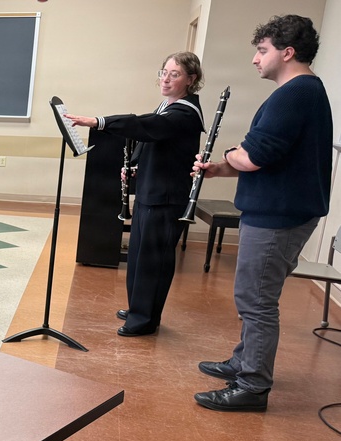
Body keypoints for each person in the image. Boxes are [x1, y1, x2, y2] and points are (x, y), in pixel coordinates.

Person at [192, 15, 332, 412]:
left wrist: (233, 154)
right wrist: (223, 166)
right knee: (254, 296)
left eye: (262, 50)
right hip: (280, 211)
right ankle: (243, 362)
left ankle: (252, 386)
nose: (256, 59)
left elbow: (255, 155)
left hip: (279, 215)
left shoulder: (296, 93)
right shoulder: (300, 92)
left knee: (256, 300)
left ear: (287, 52)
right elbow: (266, 154)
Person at [65, 52, 206, 337]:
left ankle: (145, 319)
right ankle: (137, 307)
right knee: (140, 256)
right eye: (163, 72)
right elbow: (151, 139)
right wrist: (135, 167)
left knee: (154, 260)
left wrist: (99, 121)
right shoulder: (168, 104)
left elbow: (148, 127)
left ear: (191, 80)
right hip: (150, 191)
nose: (165, 79)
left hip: (166, 198)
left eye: (174, 74)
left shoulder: (185, 112)